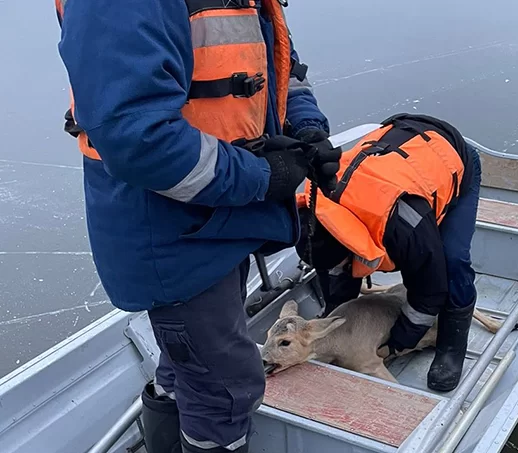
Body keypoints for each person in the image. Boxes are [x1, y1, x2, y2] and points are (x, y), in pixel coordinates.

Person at [53, 0, 340, 452]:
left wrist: (307, 126)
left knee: (186, 365)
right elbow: (139, 139)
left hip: (221, 217)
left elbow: (269, 57)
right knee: (224, 389)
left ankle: (166, 434)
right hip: (173, 234)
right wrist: (265, 177)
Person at [294, 113, 482, 392]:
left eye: (344, 263)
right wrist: (336, 319)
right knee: (337, 269)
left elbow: (429, 289)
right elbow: (331, 265)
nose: (341, 268)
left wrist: (399, 341)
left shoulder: (404, 224)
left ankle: (452, 345)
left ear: (352, 246)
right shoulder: (317, 206)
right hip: (398, 153)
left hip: (453, 160)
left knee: (451, 260)